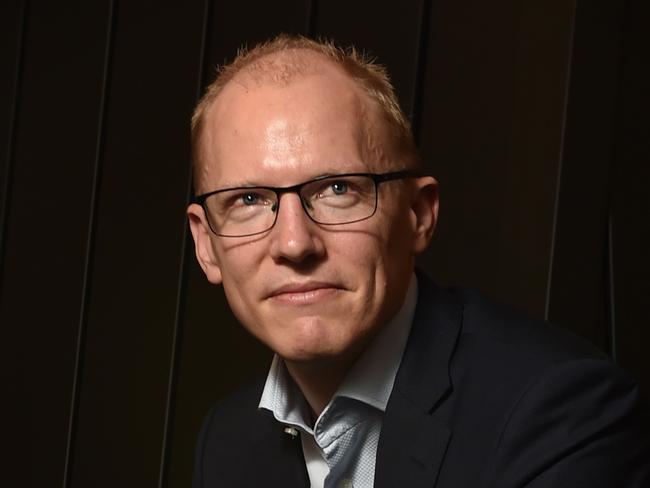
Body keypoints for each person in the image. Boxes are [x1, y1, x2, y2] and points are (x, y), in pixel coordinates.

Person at [187, 34, 649, 487]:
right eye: (247, 199)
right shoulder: (228, 439)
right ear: (207, 245)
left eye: (338, 189)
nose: (293, 243)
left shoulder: (562, 413)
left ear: (418, 215)